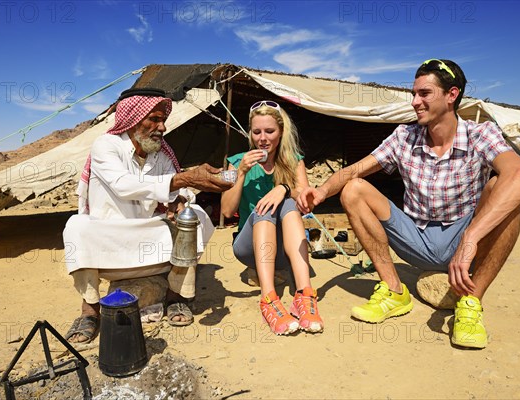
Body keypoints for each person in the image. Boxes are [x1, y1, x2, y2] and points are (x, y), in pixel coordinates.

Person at [298, 59, 520, 349]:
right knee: (353, 190)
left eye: (424, 93)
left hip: (464, 237)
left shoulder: (480, 134)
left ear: (451, 95)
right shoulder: (404, 136)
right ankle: (395, 292)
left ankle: (470, 303)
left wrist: (471, 238)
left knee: (505, 189)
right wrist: (321, 191)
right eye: (413, 94)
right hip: (415, 237)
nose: (414, 102)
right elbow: (354, 170)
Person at [63, 88, 232, 343]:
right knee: (77, 226)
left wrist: (180, 203)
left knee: (194, 216)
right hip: (110, 245)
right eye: (153, 119)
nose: (162, 127)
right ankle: (90, 311)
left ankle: (177, 297)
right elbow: (124, 185)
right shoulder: (106, 146)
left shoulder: (161, 155)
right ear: (132, 119)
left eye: (163, 120)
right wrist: (184, 178)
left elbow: (179, 192)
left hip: (149, 243)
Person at [221, 100, 324, 335]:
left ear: (281, 132)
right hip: (250, 248)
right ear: (250, 133)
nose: (262, 138)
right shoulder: (235, 162)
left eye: (270, 131)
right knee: (263, 208)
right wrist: (241, 173)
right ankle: (268, 298)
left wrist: (284, 188)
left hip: (284, 253)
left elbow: (306, 204)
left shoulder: (294, 160)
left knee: (288, 201)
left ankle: (304, 294)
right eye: (256, 132)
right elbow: (227, 211)